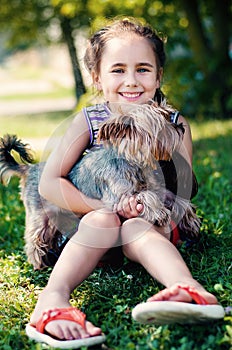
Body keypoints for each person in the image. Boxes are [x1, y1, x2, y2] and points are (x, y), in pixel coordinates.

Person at [26, 18, 224, 348]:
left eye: (143, 69)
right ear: (97, 77)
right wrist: (104, 207)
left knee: (136, 226)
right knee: (102, 220)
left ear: (159, 75)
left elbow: (184, 186)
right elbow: (49, 183)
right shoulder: (89, 121)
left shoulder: (173, 124)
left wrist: (145, 205)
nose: (131, 81)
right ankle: (53, 299)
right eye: (118, 70)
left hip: (149, 231)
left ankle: (187, 289)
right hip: (94, 236)